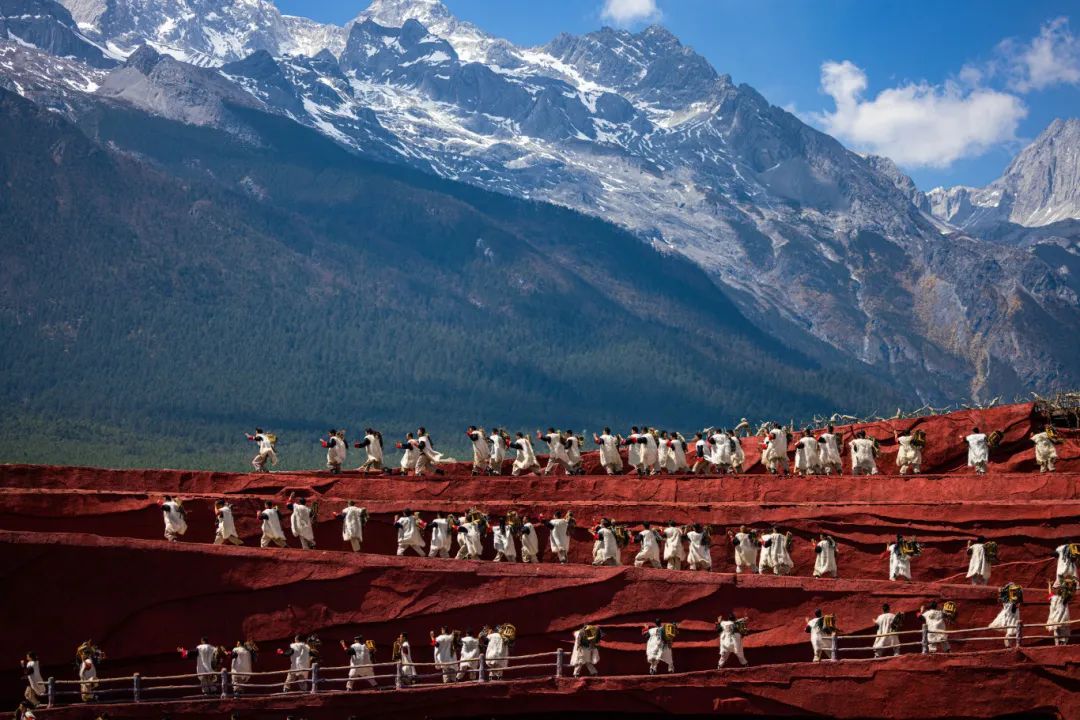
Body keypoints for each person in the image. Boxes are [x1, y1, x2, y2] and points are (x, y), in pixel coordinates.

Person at [1047, 582, 1072, 646]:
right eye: (1055, 588)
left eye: (1057, 588)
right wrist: (1049, 585)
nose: (1056, 590)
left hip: (1062, 617)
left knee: (1063, 629)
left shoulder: (1063, 597)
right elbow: (1050, 593)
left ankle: (1063, 643)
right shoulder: (1053, 597)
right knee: (1056, 630)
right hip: (1055, 617)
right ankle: (1057, 644)